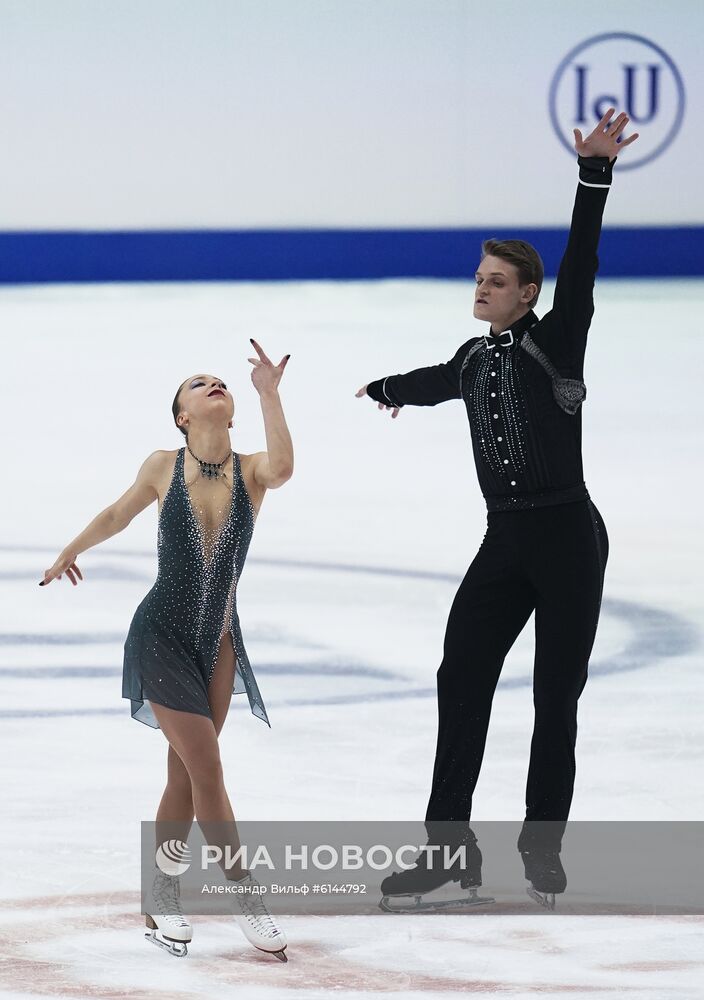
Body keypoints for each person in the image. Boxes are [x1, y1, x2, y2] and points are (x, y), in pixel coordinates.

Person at [357, 108, 639, 910]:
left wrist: (594, 174)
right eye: (478, 278)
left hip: (567, 536)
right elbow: (433, 381)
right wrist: (387, 390)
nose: (481, 288)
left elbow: (583, 260)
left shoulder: (560, 339)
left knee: (557, 696)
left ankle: (541, 847)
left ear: (527, 296)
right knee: (463, 676)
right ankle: (450, 852)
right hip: (505, 541)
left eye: (495, 282)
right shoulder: (472, 357)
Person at [39, 338, 293, 957]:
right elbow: (117, 513)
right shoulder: (163, 465)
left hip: (219, 641)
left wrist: (267, 394)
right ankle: (244, 893)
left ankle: (161, 898)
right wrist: (72, 548)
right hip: (160, 636)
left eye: (220, 382)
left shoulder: (252, 471)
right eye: (196, 383)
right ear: (182, 415)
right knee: (206, 768)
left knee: (184, 776)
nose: (213, 384)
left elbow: (284, 468)